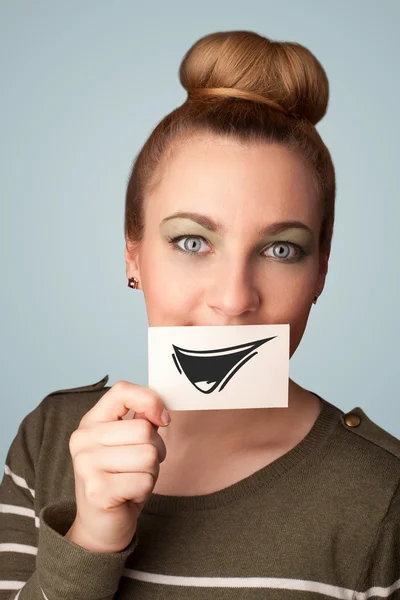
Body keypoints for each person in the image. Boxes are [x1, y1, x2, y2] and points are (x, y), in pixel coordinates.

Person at [1, 29, 399, 600]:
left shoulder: (383, 496)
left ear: (321, 273)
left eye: (280, 249)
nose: (235, 298)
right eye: (192, 242)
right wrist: (90, 537)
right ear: (133, 253)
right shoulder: (50, 442)